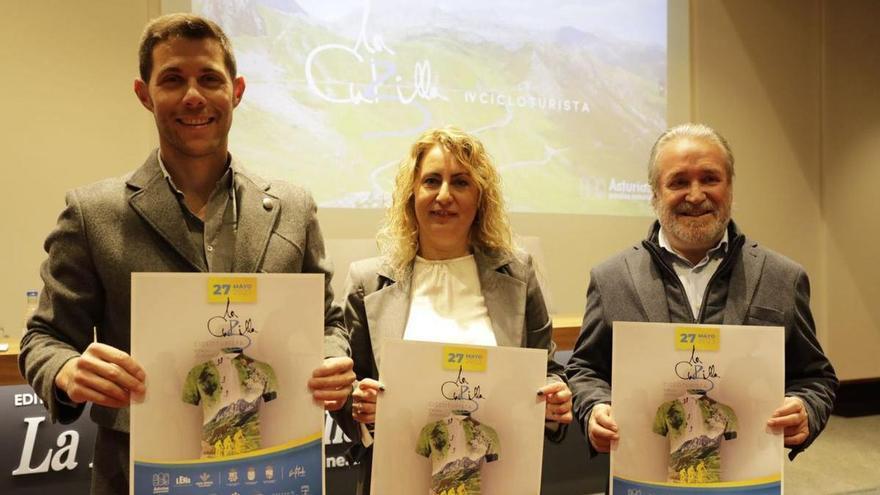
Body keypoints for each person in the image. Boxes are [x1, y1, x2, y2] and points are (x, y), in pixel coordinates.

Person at [17, 14, 354, 494]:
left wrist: (331, 359)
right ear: (144, 93)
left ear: (236, 91)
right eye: (173, 79)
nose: (193, 95)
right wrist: (67, 370)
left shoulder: (294, 208)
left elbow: (329, 323)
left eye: (209, 79)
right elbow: (44, 337)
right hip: (140, 473)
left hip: (273, 468)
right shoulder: (93, 213)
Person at [566, 123, 838, 462]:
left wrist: (806, 409)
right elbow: (585, 370)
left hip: (745, 478)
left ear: (731, 188)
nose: (695, 195)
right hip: (643, 477)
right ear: (654, 194)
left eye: (710, 179)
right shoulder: (612, 278)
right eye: (678, 182)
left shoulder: (782, 277)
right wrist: (594, 408)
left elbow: (815, 376)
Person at [337, 127, 573, 494]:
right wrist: (360, 407)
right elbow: (348, 391)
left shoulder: (519, 273)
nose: (443, 195)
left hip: (496, 480)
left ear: (480, 197)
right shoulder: (367, 281)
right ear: (411, 193)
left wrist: (556, 399)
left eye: (460, 182)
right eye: (432, 181)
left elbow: (549, 372)